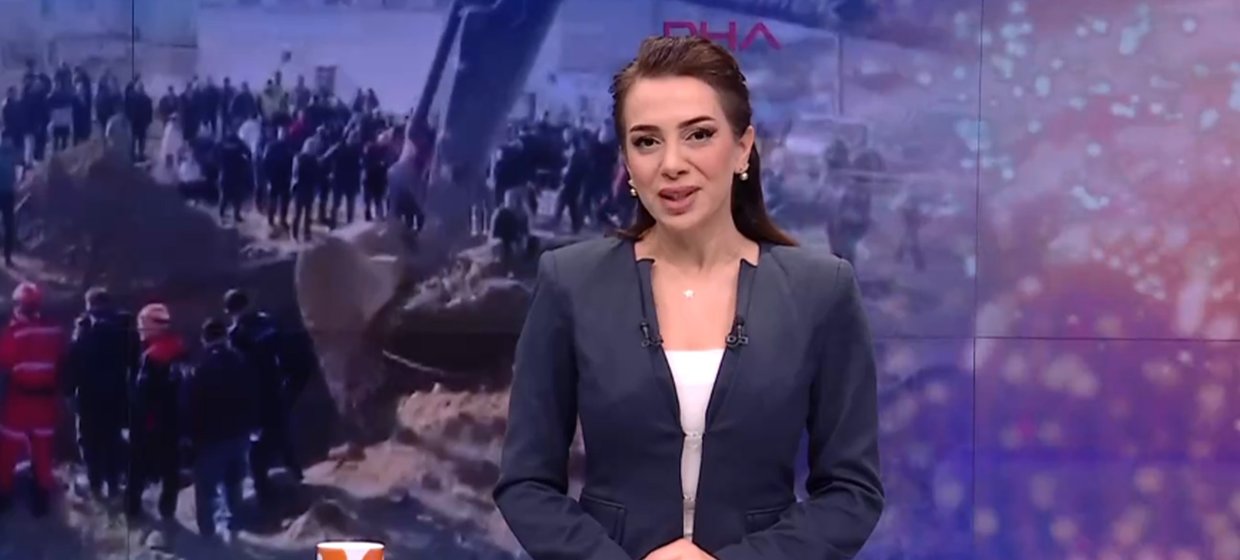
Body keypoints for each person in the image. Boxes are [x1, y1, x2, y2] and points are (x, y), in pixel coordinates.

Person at [493, 36, 884, 560]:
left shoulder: (822, 291)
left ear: (743, 148)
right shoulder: (570, 282)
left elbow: (851, 493)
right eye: (646, 141)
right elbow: (526, 483)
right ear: (626, 162)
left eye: (698, 135)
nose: (671, 163)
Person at [181, 318, 258, 542]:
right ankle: (234, 529)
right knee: (234, 483)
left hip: (210, 439)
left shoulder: (200, 368)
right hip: (239, 434)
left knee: (206, 488)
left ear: (204, 339)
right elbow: (254, 395)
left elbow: (189, 404)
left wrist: (187, 435)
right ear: (225, 336)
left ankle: (208, 534)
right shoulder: (241, 362)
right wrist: (253, 424)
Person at [65, 287, 139, 500]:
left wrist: (69, 391)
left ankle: (95, 485)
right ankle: (114, 484)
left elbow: (72, 362)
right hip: (117, 393)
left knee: (89, 441)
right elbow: (135, 361)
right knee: (113, 440)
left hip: (88, 395)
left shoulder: (83, 327)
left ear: (89, 304)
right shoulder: (124, 326)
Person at [0, 282, 65, 516]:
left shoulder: (14, 332)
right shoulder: (54, 330)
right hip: (46, 402)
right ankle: (41, 499)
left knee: (7, 449)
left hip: (19, 400)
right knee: (43, 450)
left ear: (19, 305)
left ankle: (4, 495)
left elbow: (5, 363)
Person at [126, 303, 187, 520]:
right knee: (171, 468)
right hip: (175, 419)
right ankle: (168, 510)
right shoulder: (180, 350)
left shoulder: (151, 357)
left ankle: (132, 509)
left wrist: (135, 420)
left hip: (150, 421)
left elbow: (142, 394)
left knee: (137, 466)